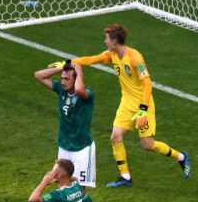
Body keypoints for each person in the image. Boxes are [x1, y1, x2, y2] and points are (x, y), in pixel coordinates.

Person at [68, 23, 190, 187]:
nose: (105, 41)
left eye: (107, 39)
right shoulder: (112, 54)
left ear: (115, 41)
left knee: (147, 144)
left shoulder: (135, 58)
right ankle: (125, 177)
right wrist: (68, 62)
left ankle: (181, 157)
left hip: (142, 106)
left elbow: (147, 84)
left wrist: (143, 110)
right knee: (115, 137)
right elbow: (91, 59)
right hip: (126, 104)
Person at [33, 61, 104, 202]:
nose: (62, 81)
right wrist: (61, 67)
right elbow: (39, 75)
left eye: (66, 79)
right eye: (62, 78)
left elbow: (80, 91)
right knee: (62, 185)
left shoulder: (88, 94)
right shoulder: (61, 91)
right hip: (64, 147)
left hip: (82, 149)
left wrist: (79, 71)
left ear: (76, 79)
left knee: (79, 191)